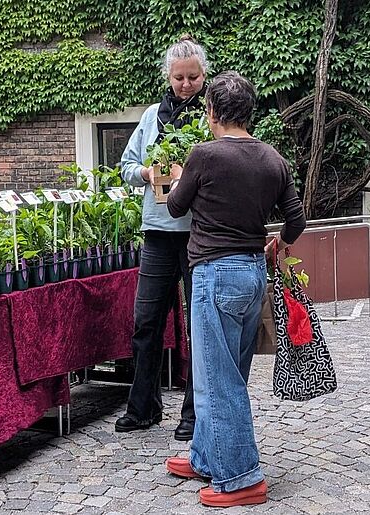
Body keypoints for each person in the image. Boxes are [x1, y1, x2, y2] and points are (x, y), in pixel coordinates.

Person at [163, 71, 307, 507]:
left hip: (214, 276)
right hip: (251, 276)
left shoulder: (204, 155)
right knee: (224, 376)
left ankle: (243, 477)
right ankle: (208, 455)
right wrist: (278, 241)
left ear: (211, 112)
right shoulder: (273, 159)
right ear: (250, 112)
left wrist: (175, 174)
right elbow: (297, 221)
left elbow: (174, 207)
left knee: (217, 380)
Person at [116, 35, 211, 440]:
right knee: (146, 321)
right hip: (157, 231)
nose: (185, 84)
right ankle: (143, 407)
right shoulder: (151, 116)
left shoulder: (211, 118)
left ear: (204, 76)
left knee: (198, 326)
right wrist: (145, 174)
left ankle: (193, 414)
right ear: (168, 77)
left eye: (192, 77)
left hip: (197, 233)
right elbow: (125, 165)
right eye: (179, 78)